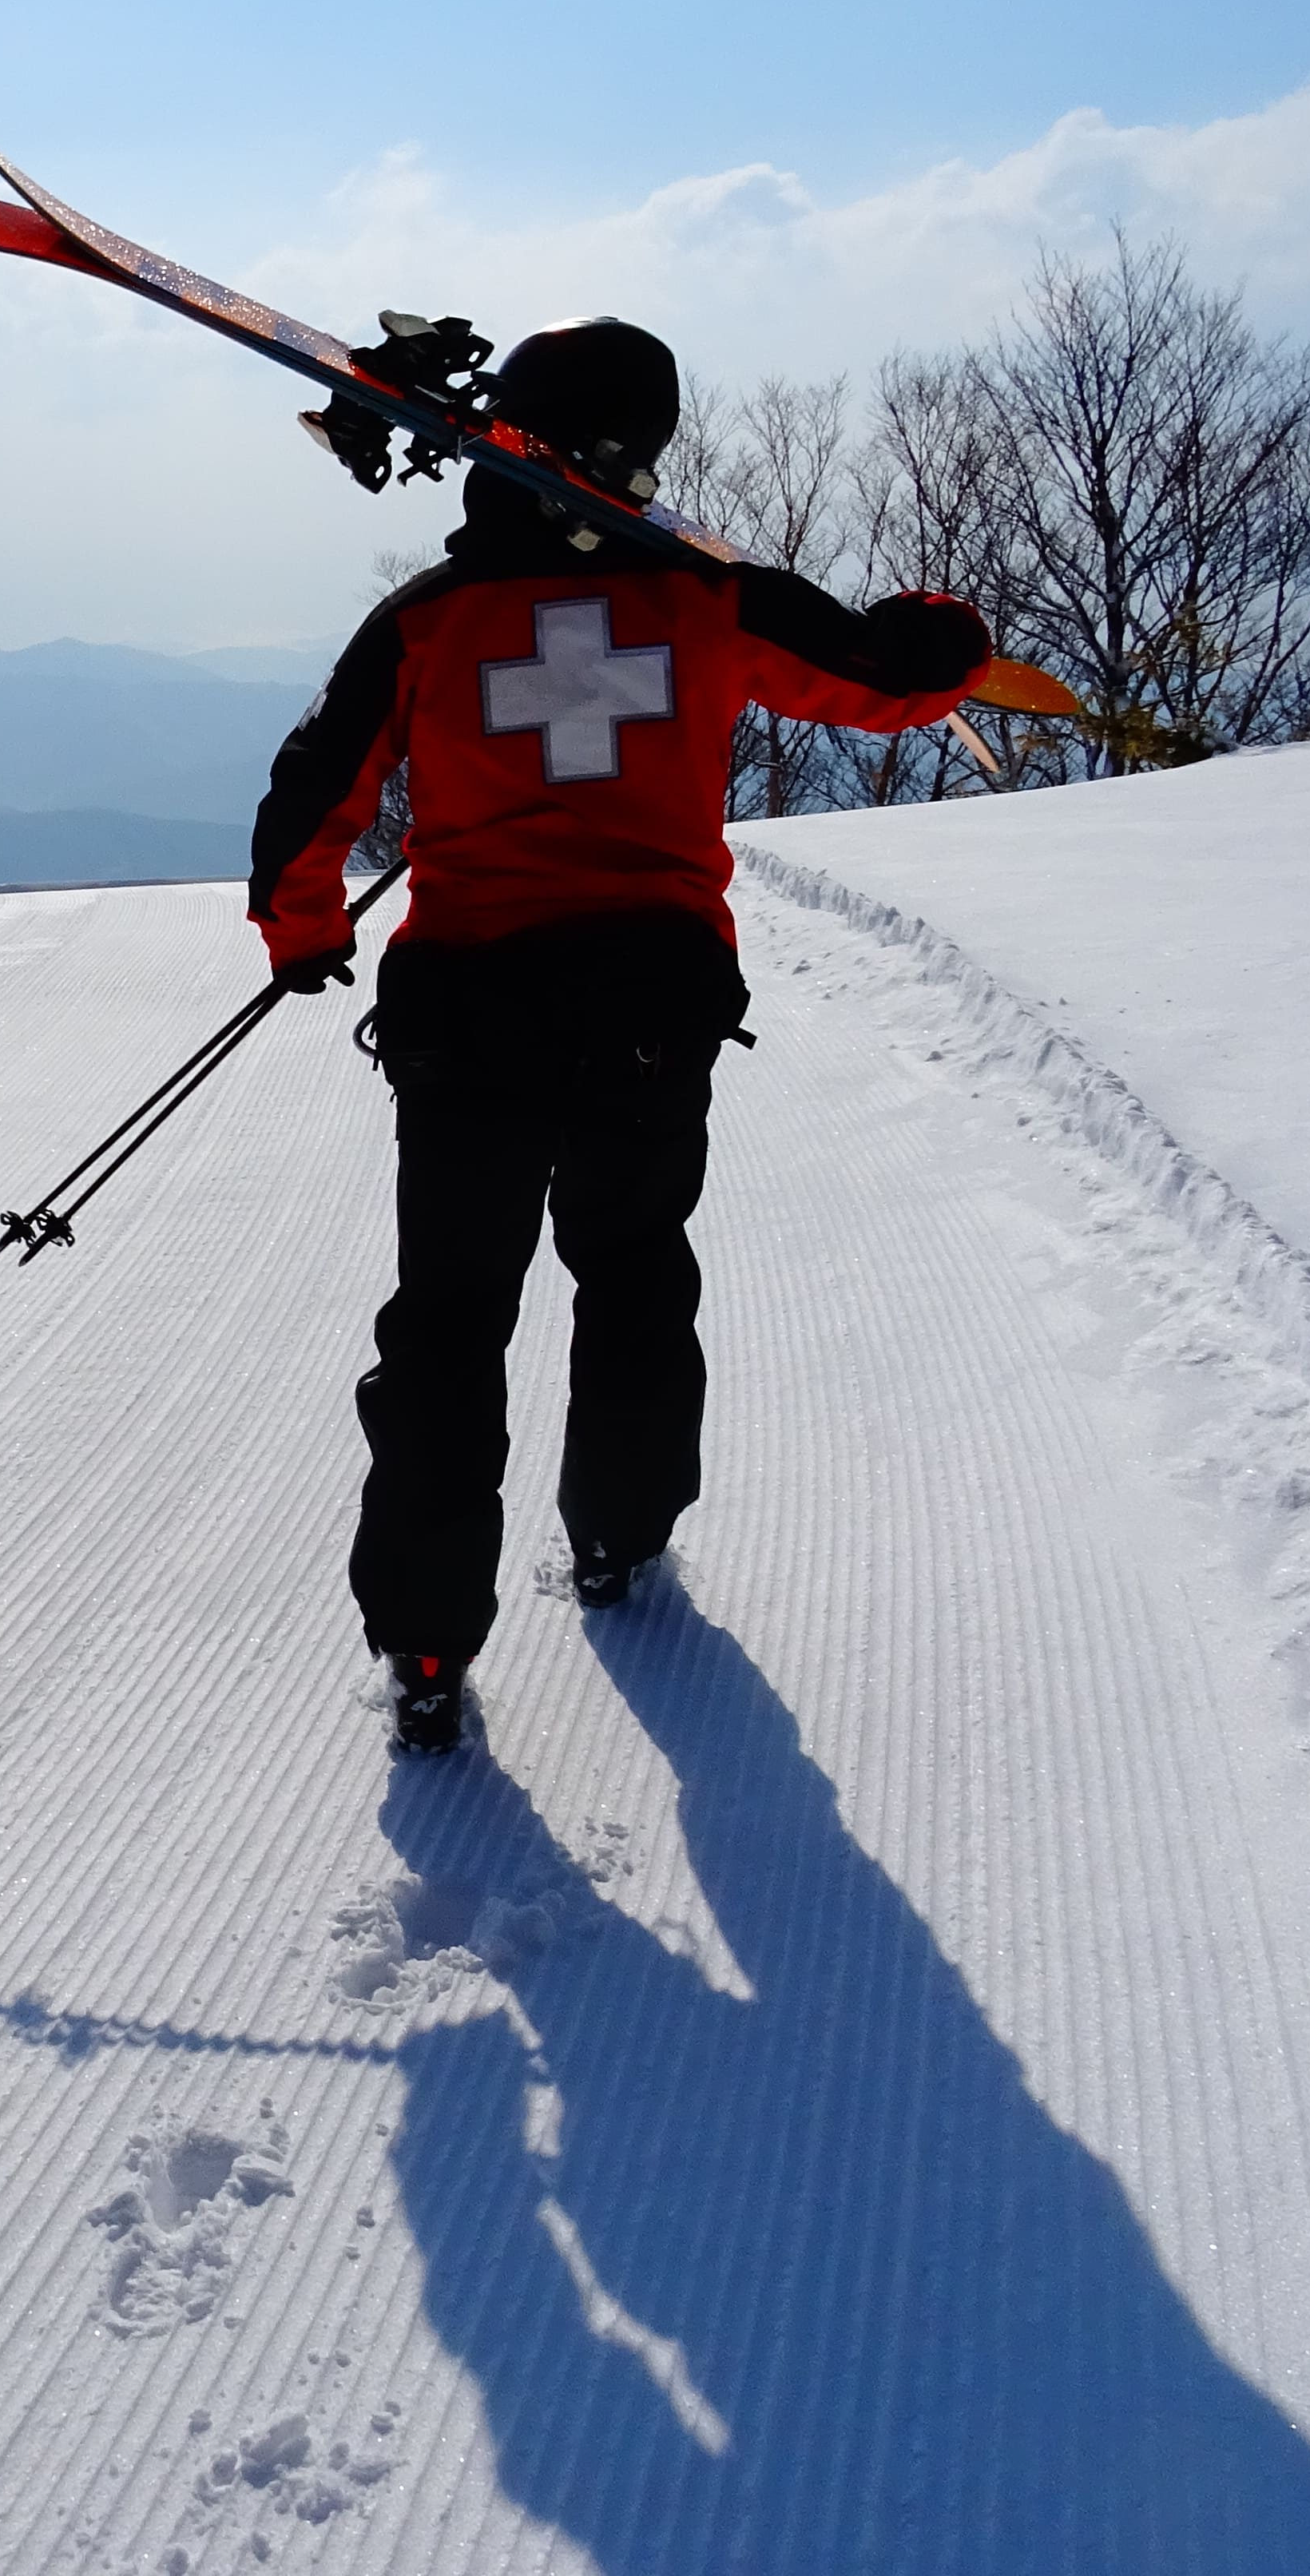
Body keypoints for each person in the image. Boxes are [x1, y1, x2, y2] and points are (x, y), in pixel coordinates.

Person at [248, 318, 990, 1756]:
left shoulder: (424, 619)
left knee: (450, 1323)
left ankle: (422, 1642)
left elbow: (311, 788)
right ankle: (620, 1541)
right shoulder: (712, 602)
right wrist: (956, 630)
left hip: (467, 1013)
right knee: (634, 1274)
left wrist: (304, 935)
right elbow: (892, 680)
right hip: (651, 1014)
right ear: (644, 449)